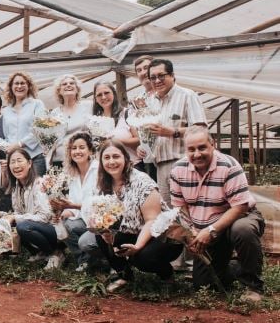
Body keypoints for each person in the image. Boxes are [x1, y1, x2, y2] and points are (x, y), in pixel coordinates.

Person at [170, 126, 265, 302]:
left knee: (243, 230)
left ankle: (253, 285)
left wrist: (212, 229)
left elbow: (240, 206)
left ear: (212, 144)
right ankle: (237, 266)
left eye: (202, 147)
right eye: (191, 149)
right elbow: (180, 206)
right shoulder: (177, 170)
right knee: (203, 284)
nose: (197, 154)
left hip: (239, 216)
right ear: (185, 150)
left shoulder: (229, 166)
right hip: (206, 226)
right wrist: (192, 231)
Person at [93, 140, 182, 292]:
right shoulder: (103, 184)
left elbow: (151, 220)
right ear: (101, 162)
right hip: (136, 231)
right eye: (106, 158)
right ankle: (125, 275)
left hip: (165, 234)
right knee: (100, 233)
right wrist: (107, 235)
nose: (111, 161)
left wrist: (137, 247)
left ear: (126, 159)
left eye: (116, 156)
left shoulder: (141, 181)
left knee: (141, 258)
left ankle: (167, 276)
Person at [140, 59, 207, 205]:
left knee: (190, 209)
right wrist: (143, 146)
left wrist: (172, 131)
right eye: (153, 78)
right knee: (169, 215)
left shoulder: (187, 95)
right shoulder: (152, 102)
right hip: (160, 165)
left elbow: (201, 130)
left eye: (161, 76)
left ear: (172, 75)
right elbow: (149, 133)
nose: (157, 80)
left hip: (184, 163)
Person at [0, 147, 62, 270]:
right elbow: (18, 213)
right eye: (12, 162)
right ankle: (39, 253)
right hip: (34, 225)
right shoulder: (17, 187)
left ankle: (55, 253)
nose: (16, 165)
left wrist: (15, 218)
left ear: (29, 163)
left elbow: (44, 217)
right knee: (6, 223)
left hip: (52, 230)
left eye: (19, 160)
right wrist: (2, 215)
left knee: (22, 226)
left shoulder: (39, 184)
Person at [50, 132, 99, 272]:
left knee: (73, 227)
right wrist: (65, 212)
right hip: (82, 218)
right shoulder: (72, 174)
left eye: (82, 147)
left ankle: (102, 259)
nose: (77, 151)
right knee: (63, 223)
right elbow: (74, 203)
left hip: (100, 221)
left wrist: (71, 206)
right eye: (74, 148)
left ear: (90, 150)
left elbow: (99, 204)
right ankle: (84, 261)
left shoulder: (99, 169)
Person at [1, 72, 46, 177]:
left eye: (23, 83)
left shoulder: (37, 104)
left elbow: (41, 130)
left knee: (36, 191)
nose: (19, 86)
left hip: (34, 158)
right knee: (17, 191)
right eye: (16, 84)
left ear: (29, 86)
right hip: (14, 161)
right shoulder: (6, 110)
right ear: (11, 87)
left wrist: (20, 144)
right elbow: (7, 135)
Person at [92, 81, 140, 167]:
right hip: (108, 168)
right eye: (99, 95)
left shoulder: (127, 114)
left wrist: (118, 141)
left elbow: (139, 139)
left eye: (106, 93)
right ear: (95, 99)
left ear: (114, 93)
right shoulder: (94, 121)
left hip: (131, 165)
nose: (103, 97)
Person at [50, 74, 92, 167]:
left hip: (83, 159)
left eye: (72, 83)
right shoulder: (54, 113)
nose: (68, 85)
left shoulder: (88, 106)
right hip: (60, 160)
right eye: (64, 84)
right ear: (59, 91)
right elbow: (51, 140)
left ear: (77, 89)